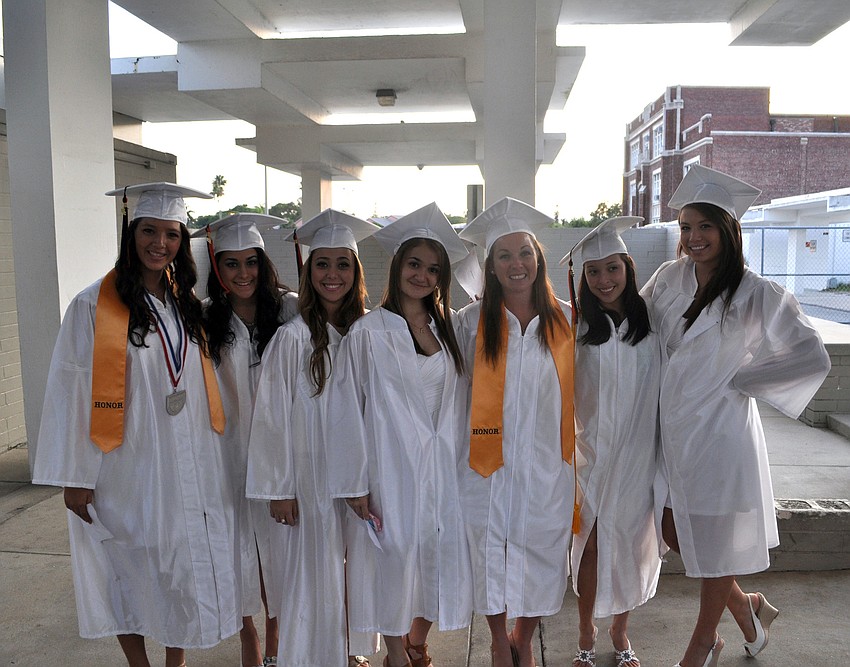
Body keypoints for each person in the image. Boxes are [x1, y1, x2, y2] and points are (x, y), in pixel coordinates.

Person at [32, 182, 240, 667]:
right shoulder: (93, 305)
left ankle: (175, 661)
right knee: (128, 562)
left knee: (178, 565)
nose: (160, 243)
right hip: (124, 461)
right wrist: (76, 477)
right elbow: (71, 389)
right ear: (131, 233)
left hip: (186, 453)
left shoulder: (183, 304)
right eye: (149, 231)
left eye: (171, 234)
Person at [640, 165, 831, 667]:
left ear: (728, 230)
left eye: (704, 227)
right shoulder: (668, 278)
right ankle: (746, 609)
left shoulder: (755, 293)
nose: (693, 238)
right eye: (685, 227)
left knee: (716, 541)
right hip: (668, 430)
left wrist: (744, 380)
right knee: (676, 532)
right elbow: (633, 330)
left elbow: (812, 355)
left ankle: (704, 642)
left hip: (721, 435)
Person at [327, 202, 473, 667]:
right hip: (389, 469)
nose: (423, 276)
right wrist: (354, 482)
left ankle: (413, 644)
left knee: (432, 555)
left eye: (433, 269)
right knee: (390, 563)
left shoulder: (447, 327)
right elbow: (347, 409)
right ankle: (394, 655)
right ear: (397, 266)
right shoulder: (368, 333)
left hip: (440, 470)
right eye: (414, 264)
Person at [245, 209, 380, 667]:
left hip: (364, 478)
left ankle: (350, 653)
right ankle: (311, 657)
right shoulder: (292, 338)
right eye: (322, 264)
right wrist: (279, 488)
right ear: (308, 272)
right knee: (315, 573)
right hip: (312, 479)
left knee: (359, 569)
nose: (333, 274)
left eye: (343, 263)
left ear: (356, 271)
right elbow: (271, 419)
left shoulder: (371, 333)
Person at [457, 197, 577, 667]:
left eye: (524, 252)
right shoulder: (468, 323)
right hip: (487, 466)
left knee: (543, 551)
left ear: (538, 257)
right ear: (490, 266)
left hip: (548, 462)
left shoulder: (567, 320)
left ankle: (523, 638)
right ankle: (495, 638)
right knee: (490, 552)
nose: (516, 264)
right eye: (504, 255)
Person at [195, 212, 299, 667]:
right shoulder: (202, 318)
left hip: (282, 448)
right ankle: (248, 635)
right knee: (237, 549)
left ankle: (277, 639)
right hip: (228, 449)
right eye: (231, 263)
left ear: (264, 263)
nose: (243, 273)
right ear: (216, 268)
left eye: (251, 262)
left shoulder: (291, 309)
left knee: (279, 550)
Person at [562, 217, 662, 667]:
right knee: (592, 544)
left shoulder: (654, 322)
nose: (604, 280)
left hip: (640, 455)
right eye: (593, 271)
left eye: (612, 268)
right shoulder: (576, 326)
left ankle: (620, 631)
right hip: (592, 456)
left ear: (628, 267)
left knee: (630, 543)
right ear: (582, 278)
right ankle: (586, 631)